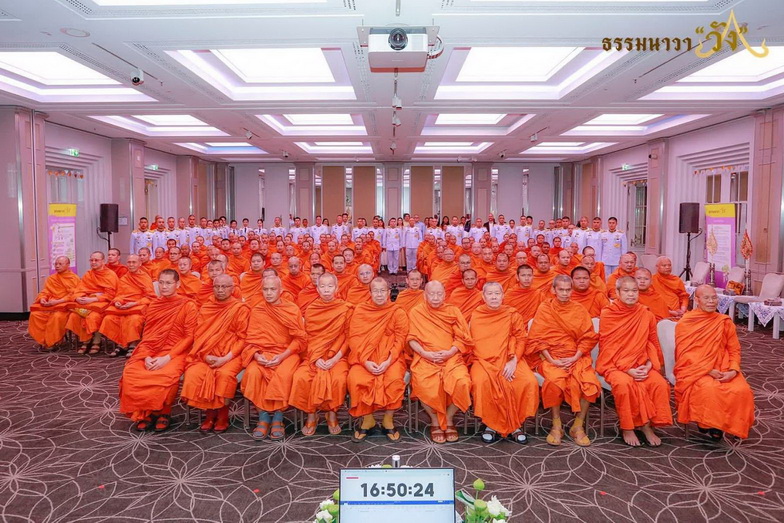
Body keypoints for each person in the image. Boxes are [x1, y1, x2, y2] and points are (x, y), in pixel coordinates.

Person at [118, 269, 198, 432]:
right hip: (151, 349)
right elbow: (148, 335)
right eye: (161, 283)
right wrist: (146, 355)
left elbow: (189, 337)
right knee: (131, 372)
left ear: (178, 284)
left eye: (168, 283)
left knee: (166, 374)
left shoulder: (188, 305)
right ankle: (146, 412)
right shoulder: (154, 305)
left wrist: (167, 357)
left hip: (176, 351)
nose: (164, 286)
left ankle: (164, 412)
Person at [597, 276, 672, 447]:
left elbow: (652, 342)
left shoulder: (645, 313)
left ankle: (647, 426)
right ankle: (628, 427)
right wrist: (627, 369)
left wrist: (649, 365)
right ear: (617, 293)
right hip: (614, 365)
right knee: (624, 385)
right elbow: (608, 346)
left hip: (642, 363)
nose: (631, 294)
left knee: (659, 384)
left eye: (634, 291)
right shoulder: (609, 314)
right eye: (626, 291)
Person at [674, 285, 755, 441]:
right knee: (709, 390)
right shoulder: (686, 322)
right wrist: (707, 370)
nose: (711, 301)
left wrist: (733, 370)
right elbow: (684, 354)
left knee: (742, 390)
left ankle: (723, 424)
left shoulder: (724, 322)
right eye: (706, 298)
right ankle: (709, 424)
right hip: (696, 369)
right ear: (697, 300)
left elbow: (734, 350)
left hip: (724, 367)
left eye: (714, 298)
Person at [528, 275, 601, 447]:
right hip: (551, 357)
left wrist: (575, 357)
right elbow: (537, 338)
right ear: (553, 290)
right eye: (561, 289)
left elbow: (588, 337)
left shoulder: (579, 309)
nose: (565, 293)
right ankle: (556, 424)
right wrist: (552, 360)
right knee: (554, 382)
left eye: (568, 290)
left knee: (590, 383)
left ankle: (578, 425)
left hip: (576, 356)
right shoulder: (545, 308)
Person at [469, 282, 538, 444]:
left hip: (511, 358)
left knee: (527, 381)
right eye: (490, 294)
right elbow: (475, 343)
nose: (494, 297)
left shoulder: (512, 314)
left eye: (497, 293)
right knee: (481, 381)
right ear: (483, 297)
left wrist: (514, 361)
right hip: (483, 360)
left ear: (503, 296)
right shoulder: (477, 315)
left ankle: (516, 425)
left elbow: (521, 338)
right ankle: (490, 424)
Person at [181, 274, 250, 433]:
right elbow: (199, 335)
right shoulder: (207, 308)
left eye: (224, 287)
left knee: (223, 375)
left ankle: (222, 416)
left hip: (232, 355)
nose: (220, 290)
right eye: (217, 286)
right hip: (207, 353)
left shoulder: (240, 309)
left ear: (232, 289)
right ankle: (209, 414)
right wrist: (205, 355)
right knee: (195, 372)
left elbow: (243, 338)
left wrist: (226, 358)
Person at [241, 276, 306, 441]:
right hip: (263, 353)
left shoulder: (291, 309)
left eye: (273, 289)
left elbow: (299, 340)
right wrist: (257, 355)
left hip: (287, 353)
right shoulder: (257, 310)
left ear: (281, 290)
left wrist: (282, 356)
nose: (269, 293)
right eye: (265, 289)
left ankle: (278, 417)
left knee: (284, 374)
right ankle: (263, 416)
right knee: (252, 373)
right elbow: (250, 340)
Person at [407, 281, 472, 444]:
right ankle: (435, 420)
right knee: (422, 383)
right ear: (425, 295)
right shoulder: (416, 312)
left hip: (451, 357)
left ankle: (448, 418)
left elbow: (463, 337)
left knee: (462, 383)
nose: (435, 298)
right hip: (425, 357)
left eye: (439, 294)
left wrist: (450, 352)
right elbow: (411, 338)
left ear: (445, 295)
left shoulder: (453, 311)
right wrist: (425, 353)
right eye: (432, 294)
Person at [289, 272, 353, 436]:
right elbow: (307, 337)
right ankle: (311, 415)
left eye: (330, 286)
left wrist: (335, 358)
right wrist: (315, 358)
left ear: (336, 288)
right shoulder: (311, 309)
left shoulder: (345, 308)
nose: (326, 290)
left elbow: (348, 337)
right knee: (301, 377)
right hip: (313, 355)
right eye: (322, 286)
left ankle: (332, 414)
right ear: (317, 289)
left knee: (338, 379)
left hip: (338, 356)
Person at [347, 278, 409, 442]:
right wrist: (365, 361)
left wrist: (389, 360)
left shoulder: (397, 311)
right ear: (370, 293)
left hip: (391, 357)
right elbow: (354, 339)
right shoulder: (361, 310)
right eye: (376, 291)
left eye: (383, 291)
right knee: (355, 379)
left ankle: (388, 420)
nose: (379, 294)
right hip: (364, 358)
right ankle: (368, 420)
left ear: (389, 293)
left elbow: (401, 340)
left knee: (394, 379)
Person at [99, 254, 156, 357]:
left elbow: (150, 297)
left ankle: (132, 344)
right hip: (124, 307)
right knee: (109, 318)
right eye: (129, 262)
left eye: (134, 262)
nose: (131, 264)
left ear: (140, 264)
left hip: (138, 306)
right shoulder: (125, 278)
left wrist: (135, 303)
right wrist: (117, 301)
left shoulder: (144, 277)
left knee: (134, 319)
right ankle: (122, 344)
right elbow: (119, 294)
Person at [66, 251, 120, 355]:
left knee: (93, 316)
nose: (93, 262)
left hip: (103, 304)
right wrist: (78, 298)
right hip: (87, 303)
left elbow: (111, 295)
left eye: (96, 260)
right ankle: (86, 340)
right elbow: (79, 290)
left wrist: (94, 299)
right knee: (74, 316)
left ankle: (96, 341)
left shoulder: (110, 275)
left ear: (103, 261)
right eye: (91, 260)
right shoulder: (88, 274)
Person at [28, 256, 80, 350]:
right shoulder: (51, 278)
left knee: (57, 317)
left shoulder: (74, 278)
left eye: (60, 264)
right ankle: (44, 340)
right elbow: (46, 291)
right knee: (35, 314)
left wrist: (58, 302)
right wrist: (42, 298)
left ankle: (52, 342)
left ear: (68, 265)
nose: (57, 266)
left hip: (65, 307)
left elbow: (74, 295)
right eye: (56, 264)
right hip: (50, 305)